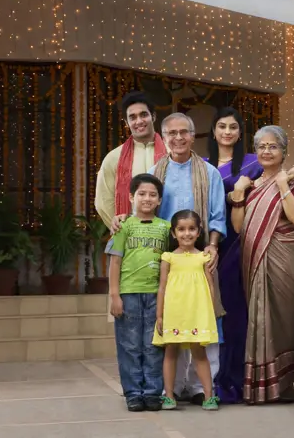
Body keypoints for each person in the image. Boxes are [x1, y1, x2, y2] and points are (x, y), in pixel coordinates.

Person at [112, 112, 227, 405]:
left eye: (184, 132)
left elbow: (216, 216)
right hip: (168, 260)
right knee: (171, 321)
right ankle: (170, 388)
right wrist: (125, 216)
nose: (178, 138)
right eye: (172, 133)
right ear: (165, 137)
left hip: (200, 258)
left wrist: (212, 246)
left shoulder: (209, 172)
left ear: (192, 136)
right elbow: (145, 207)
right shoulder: (156, 170)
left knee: (204, 318)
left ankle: (202, 388)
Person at [206, 107, 294, 403]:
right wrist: (237, 194)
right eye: (221, 126)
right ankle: (229, 381)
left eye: (233, 126)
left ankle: (266, 382)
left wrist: (289, 178)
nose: (227, 132)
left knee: (266, 318)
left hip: (267, 254)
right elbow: (235, 220)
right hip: (229, 250)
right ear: (213, 131)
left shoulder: (262, 168)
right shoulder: (210, 168)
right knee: (234, 317)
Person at [231, 125, 294, 405]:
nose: (266, 151)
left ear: (284, 152)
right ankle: (260, 387)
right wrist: (238, 193)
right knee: (258, 319)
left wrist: (283, 184)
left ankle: (284, 385)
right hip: (254, 259)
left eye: (273, 146)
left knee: (283, 322)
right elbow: (238, 228)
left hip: (287, 259)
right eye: (261, 146)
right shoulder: (250, 185)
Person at [108, 174, 171, 412]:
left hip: (157, 295)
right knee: (130, 345)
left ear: (159, 200)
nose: (147, 198)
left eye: (152, 194)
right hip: (129, 295)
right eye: (142, 194)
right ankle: (133, 393)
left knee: (154, 345)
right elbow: (114, 263)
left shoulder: (166, 229)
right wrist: (115, 296)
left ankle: (153, 392)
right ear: (131, 197)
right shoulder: (122, 226)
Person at [153, 210, 220, 411]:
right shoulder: (168, 258)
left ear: (199, 232)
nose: (186, 234)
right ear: (174, 233)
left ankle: (209, 395)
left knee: (199, 353)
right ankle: (169, 395)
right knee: (171, 351)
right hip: (175, 312)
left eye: (191, 229)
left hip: (197, 312)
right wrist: (159, 314)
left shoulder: (203, 257)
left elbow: (210, 286)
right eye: (181, 229)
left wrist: (210, 312)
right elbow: (162, 287)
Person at [95, 91, 166, 231]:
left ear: (153, 116)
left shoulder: (171, 153)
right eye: (132, 117)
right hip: (129, 237)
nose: (139, 121)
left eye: (144, 115)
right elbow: (103, 201)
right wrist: (123, 229)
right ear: (127, 123)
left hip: (167, 234)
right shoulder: (114, 157)